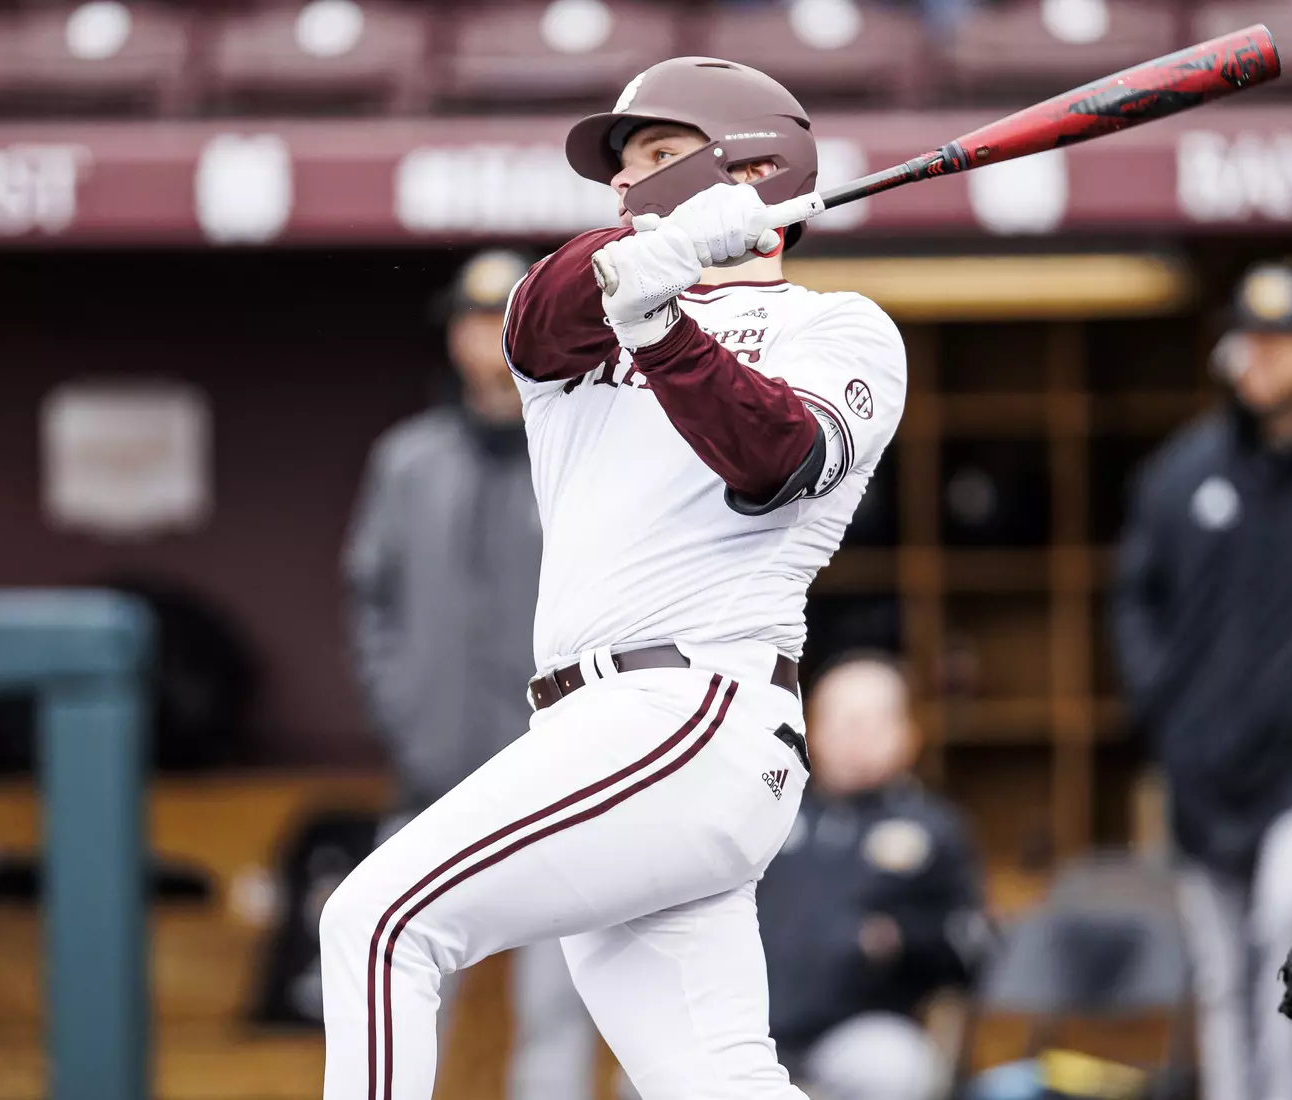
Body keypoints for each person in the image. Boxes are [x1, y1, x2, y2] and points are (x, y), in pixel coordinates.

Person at [320, 56, 907, 1100]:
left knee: (376, 921)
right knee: (720, 1082)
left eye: (661, 159)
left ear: (755, 172)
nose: (629, 188)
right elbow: (534, 315)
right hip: (593, 731)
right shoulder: (580, 324)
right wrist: (654, 260)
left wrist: (665, 326)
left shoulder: (842, 327)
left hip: (689, 709)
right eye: (622, 172)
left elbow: (775, 459)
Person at [1113, 257, 1292, 1100]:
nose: (1256, 357)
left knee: (1287, 941)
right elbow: (1133, 601)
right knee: (1221, 975)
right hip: (1205, 771)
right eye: (1247, 339)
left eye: (1280, 339)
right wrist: (1163, 706)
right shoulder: (1187, 471)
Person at [343, 249, 597, 1100]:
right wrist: (406, 713)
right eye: (471, 321)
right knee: (397, 1005)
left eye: (501, 319)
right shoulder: (405, 460)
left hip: (558, 786)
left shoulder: (581, 446)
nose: (485, 340)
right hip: (430, 786)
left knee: (557, 1018)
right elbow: (369, 601)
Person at [758, 653, 986, 1100]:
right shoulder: (772, 814)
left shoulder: (932, 828)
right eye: (837, 720)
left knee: (897, 1070)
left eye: (867, 722)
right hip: (751, 1027)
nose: (850, 737)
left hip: (856, 1030)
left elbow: (972, 944)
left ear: (907, 732)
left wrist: (894, 939)